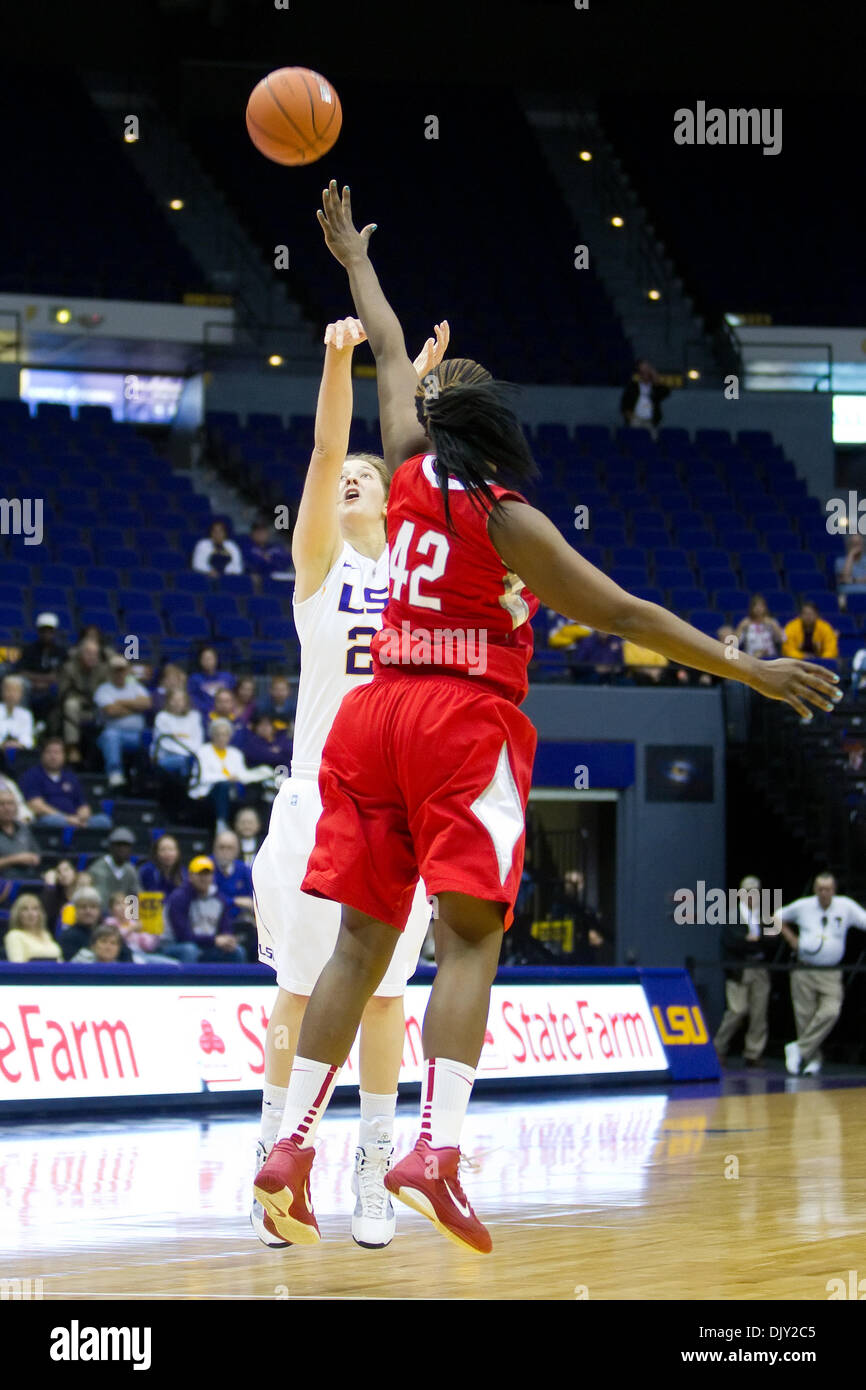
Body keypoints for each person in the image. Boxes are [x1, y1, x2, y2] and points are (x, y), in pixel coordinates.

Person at [254, 182, 841, 1255]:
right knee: (471, 935)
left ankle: (288, 1140)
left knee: (355, 948)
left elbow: (388, 346)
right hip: (455, 724)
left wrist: (353, 260)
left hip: (370, 718)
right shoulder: (505, 516)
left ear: (441, 422)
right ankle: (434, 1145)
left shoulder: (410, 464)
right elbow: (623, 611)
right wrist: (745, 670)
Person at [249, 311, 443, 1251]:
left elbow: (422, 466)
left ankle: (373, 1162)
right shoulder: (319, 568)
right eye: (351, 480)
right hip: (313, 805)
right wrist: (340, 361)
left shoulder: (418, 568)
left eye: (376, 476)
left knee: (382, 995)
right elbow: (330, 450)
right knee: (297, 990)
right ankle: (277, 1165)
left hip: (396, 812)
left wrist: (414, 387)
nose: (359, 477)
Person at [775, 873, 866, 1075]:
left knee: (831, 1010)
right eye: (820, 889)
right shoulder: (803, 906)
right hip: (804, 969)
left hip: (830, 972)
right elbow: (776, 916)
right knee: (804, 1017)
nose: (824, 893)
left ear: (834, 890)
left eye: (828, 889)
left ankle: (798, 1049)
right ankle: (813, 1060)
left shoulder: (845, 906)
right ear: (815, 890)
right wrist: (792, 940)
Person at [713, 875, 771, 1067]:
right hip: (740, 969)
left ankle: (753, 1053)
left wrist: (754, 940)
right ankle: (719, 1047)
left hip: (760, 968)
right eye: (747, 892)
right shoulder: (732, 915)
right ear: (740, 894)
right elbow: (735, 942)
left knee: (759, 1012)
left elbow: (772, 940)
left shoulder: (764, 915)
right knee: (737, 1010)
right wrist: (751, 941)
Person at [189, 719, 273, 832]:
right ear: (212, 735)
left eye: (224, 734)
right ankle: (221, 823)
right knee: (223, 785)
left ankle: (255, 825)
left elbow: (242, 774)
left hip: (233, 790)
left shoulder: (235, 754)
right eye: (217, 734)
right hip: (208, 792)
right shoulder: (203, 751)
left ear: (229, 737)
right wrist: (227, 778)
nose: (221, 737)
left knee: (255, 789)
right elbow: (203, 776)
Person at [164, 856, 245, 962]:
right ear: (190, 876)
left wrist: (228, 939)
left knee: (237, 951)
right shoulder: (178, 898)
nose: (204, 878)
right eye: (199, 874)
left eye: (207, 874)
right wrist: (214, 941)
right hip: (175, 945)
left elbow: (225, 928)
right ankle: (187, 979)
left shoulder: (219, 900)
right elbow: (183, 936)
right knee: (190, 950)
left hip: (207, 946)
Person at [20, 737, 112, 830]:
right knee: (52, 821)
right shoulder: (32, 775)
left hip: (74, 819)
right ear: (42, 755)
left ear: (64, 756)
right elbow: (36, 805)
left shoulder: (71, 777)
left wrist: (82, 817)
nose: (53, 756)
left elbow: (83, 805)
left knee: (104, 821)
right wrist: (66, 818)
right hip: (50, 819)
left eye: (57, 752)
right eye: (49, 752)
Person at [93, 655, 152, 788]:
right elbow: (111, 711)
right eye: (116, 670)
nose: (119, 673)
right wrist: (135, 708)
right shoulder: (104, 689)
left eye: (122, 670)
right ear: (110, 672)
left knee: (151, 737)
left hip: (138, 735)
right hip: (114, 734)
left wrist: (120, 702)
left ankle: (146, 779)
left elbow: (147, 704)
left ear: (127, 671)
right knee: (110, 735)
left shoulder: (135, 687)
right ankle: (115, 774)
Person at [57, 638, 108, 765]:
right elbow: (64, 693)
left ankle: (100, 754)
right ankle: (72, 747)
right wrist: (84, 699)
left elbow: (106, 691)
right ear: (80, 654)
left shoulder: (103, 670)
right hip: (75, 708)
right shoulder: (69, 668)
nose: (92, 657)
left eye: (95, 654)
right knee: (71, 704)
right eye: (88, 653)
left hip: (96, 707)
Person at [15, 613, 68, 723]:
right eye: (43, 630)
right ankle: (23, 720)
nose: (46, 634)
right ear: (38, 631)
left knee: (62, 686)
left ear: (54, 632)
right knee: (21, 683)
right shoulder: (29, 650)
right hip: (31, 685)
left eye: (50, 631)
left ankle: (52, 727)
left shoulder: (61, 652)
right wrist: (43, 680)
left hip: (52, 688)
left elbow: (61, 674)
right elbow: (21, 672)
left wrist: (46, 682)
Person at [58, 885, 132, 962]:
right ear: (75, 910)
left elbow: (127, 957)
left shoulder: (110, 932)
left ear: (99, 910)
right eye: (83, 907)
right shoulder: (67, 936)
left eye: (93, 907)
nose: (88, 911)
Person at [87, 826, 142, 912]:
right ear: (111, 847)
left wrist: (131, 919)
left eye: (126, 846)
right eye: (118, 845)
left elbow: (135, 896)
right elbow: (100, 900)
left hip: (125, 918)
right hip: (102, 917)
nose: (122, 849)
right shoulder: (98, 869)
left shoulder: (130, 870)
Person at [152, 688, 204, 777]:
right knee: (185, 761)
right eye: (174, 700)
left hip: (190, 755)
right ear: (168, 701)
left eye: (180, 700)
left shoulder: (194, 716)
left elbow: (198, 740)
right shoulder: (162, 717)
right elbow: (166, 744)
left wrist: (191, 754)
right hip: (166, 756)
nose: (177, 703)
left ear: (186, 701)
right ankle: (186, 788)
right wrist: (188, 754)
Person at [3, 893, 63, 962]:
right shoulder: (14, 935)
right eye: (25, 909)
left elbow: (60, 961)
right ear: (18, 914)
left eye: (35, 909)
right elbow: (17, 965)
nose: (31, 913)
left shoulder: (46, 935)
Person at [620, 358, 670, 438]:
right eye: (643, 373)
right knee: (634, 439)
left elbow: (666, 392)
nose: (645, 375)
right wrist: (629, 416)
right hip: (635, 419)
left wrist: (655, 377)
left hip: (651, 420)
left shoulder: (655, 388)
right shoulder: (633, 387)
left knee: (653, 440)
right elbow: (624, 404)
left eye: (647, 372)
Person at [0, 787, 41, 880]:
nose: (6, 808)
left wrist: (34, 859)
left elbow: (36, 854)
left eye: (10, 804)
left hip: (28, 878)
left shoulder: (23, 828)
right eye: (1, 804)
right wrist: (16, 859)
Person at [240, 518, 292, 584]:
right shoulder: (247, 547)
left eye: (263, 531)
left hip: (278, 580)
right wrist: (269, 561)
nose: (261, 534)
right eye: (258, 531)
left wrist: (267, 561)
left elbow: (284, 562)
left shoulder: (276, 547)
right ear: (252, 533)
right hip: (257, 582)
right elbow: (255, 565)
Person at [188, 646, 234, 716]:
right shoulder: (194, 679)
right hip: (204, 715)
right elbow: (193, 700)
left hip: (227, 714)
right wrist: (211, 710)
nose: (208, 661)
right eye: (205, 659)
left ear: (216, 659)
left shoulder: (227, 677)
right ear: (200, 661)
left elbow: (234, 696)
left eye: (210, 658)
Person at [735, 595, 784, 659]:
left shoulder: (771, 622)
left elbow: (782, 639)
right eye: (755, 606)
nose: (758, 608)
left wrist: (775, 626)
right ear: (751, 608)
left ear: (765, 608)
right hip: (751, 658)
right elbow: (735, 643)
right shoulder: (745, 623)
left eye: (761, 606)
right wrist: (740, 627)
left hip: (770, 658)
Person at [0, 675, 35, 753]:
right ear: (2, 692)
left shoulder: (26, 714)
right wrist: (4, 744)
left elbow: (28, 739)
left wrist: (17, 744)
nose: (11, 694)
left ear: (21, 694)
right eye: (8, 690)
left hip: (20, 753)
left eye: (15, 691)